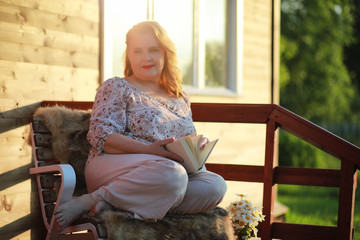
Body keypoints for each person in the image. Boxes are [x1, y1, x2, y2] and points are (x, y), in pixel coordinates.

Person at [55, 21, 227, 230]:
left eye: (153, 50)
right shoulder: (117, 86)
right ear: (129, 55)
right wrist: (149, 150)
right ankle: (89, 200)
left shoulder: (180, 97)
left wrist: (195, 150)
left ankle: (118, 206)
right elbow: (103, 138)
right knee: (172, 175)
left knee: (215, 186)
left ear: (165, 53)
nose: (146, 57)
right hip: (115, 165)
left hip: (166, 175)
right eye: (138, 51)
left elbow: (185, 141)